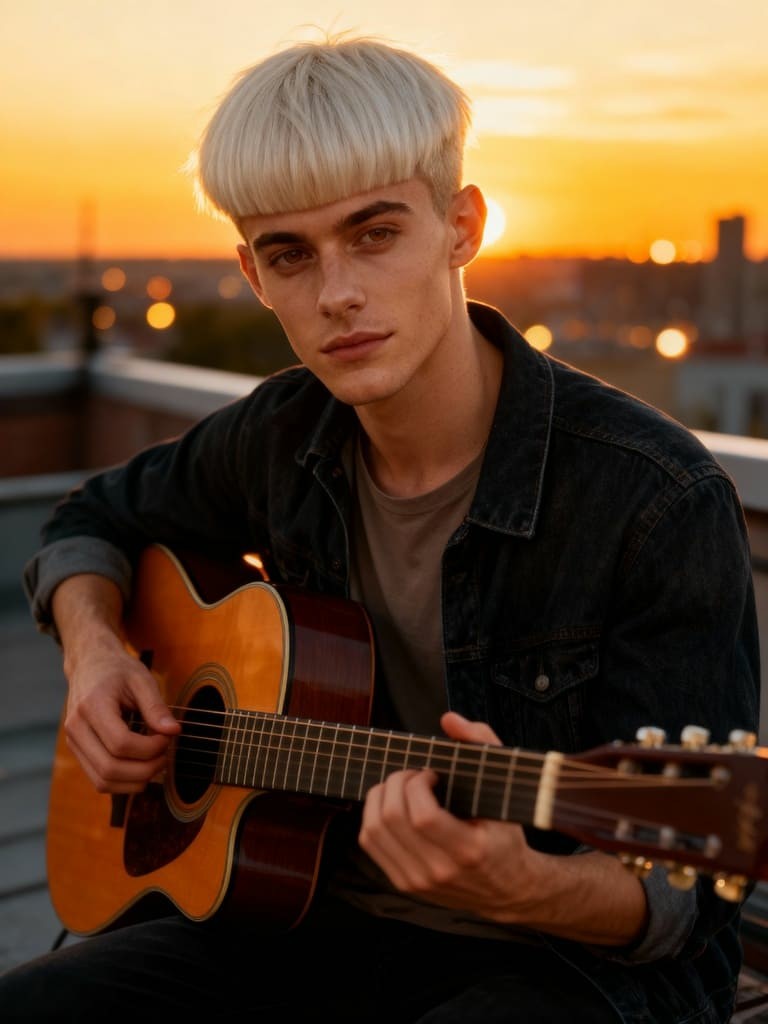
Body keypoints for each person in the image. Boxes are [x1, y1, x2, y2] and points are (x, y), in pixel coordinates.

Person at [0, 32, 760, 1023]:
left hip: (571, 960)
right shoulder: (282, 433)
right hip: (304, 916)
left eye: (374, 232)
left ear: (461, 224)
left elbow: (680, 905)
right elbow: (88, 521)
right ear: (253, 273)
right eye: (290, 255)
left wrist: (518, 884)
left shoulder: (653, 497)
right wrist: (96, 655)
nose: (337, 294)